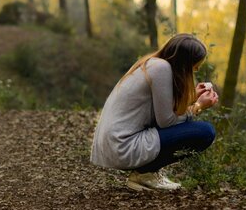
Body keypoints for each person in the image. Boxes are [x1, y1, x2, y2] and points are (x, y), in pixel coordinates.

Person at [90, 33, 218, 191]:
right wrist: (198, 106)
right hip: (123, 145)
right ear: (184, 63)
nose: (196, 69)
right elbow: (166, 121)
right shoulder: (161, 68)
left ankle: (146, 173)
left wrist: (192, 97)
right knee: (205, 132)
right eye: (195, 66)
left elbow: (163, 110)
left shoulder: (154, 64)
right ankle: (145, 174)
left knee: (200, 130)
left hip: (115, 143)